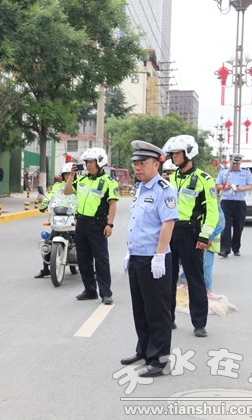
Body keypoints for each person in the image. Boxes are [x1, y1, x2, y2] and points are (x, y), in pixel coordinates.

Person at [121, 140, 177, 378]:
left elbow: (168, 224)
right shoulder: (141, 188)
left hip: (154, 259)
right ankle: (144, 350)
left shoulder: (164, 189)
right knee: (141, 309)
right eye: (135, 163)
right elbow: (139, 224)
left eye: (142, 163)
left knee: (157, 311)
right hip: (137, 257)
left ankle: (160, 360)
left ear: (156, 164)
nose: (137, 167)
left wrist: (159, 255)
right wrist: (130, 251)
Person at [162, 135, 219, 338]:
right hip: (171, 231)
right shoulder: (171, 179)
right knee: (168, 278)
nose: (173, 157)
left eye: (177, 153)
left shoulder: (204, 179)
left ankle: (199, 323)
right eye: (172, 154)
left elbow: (212, 211)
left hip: (191, 233)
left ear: (188, 153)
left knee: (195, 279)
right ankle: (168, 318)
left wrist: (204, 236)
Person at [64, 147, 119, 305]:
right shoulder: (82, 180)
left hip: (98, 223)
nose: (88, 165)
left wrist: (110, 224)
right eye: (86, 162)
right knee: (83, 259)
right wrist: (71, 176)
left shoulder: (109, 182)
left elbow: (112, 204)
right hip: (81, 223)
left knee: (101, 260)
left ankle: (106, 293)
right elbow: (67, 191)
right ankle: (90, 290)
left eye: (91, 162)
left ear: (100, 162)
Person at [34, 162, 78, 278]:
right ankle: (46, 268)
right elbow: (51, 196)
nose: (68, 176)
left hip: (73, 216)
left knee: (83, 240)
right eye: (66, 174)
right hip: (59, 215)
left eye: (70, 174)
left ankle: (90, 267)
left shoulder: (78, 185)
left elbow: (82, 199)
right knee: (48, 241)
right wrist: (44, 203)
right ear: (63, 176)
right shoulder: (57, 186)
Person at [215, 153, 252, 257]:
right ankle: (224, 249)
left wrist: (241, 189)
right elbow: (217, 185)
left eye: (237, 163)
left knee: (238, 226)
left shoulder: (245, 172)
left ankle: (236, 248)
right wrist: (226, 187)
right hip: (226, 201)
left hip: (239, 202)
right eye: (233, 163)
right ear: (230, 162)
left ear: (240, 163)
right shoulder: (224, 172)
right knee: (225, 226)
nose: (235, 165)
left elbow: (251, 185)